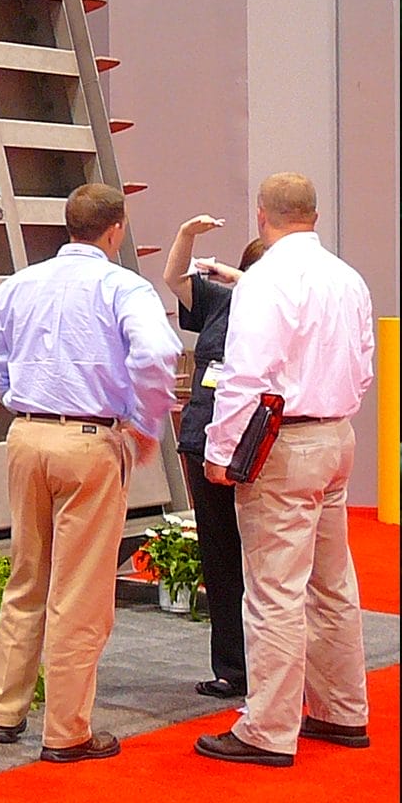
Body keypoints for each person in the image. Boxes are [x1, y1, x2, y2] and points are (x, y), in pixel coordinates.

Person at [0, 183, 182, 763]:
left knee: (26, 576)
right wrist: (143, 426)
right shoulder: (123, 285)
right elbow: (157, 355)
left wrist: (30, 406)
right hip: (91, 439)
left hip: (27, 433)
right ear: (116, 230)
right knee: (80, 592)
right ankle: (66, 731)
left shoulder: (20, 283)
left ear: (68, 226)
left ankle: (5, 711)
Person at [194, 173, 375, 767]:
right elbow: (364, 365)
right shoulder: (348, 278)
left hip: (281, 442)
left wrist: (221, 453)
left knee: (273, 590)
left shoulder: (267, 279)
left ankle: (267, 729)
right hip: (336, 435)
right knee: (333, 583)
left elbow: (244, 375)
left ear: (261, 214)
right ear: (315, 215)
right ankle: (341, 709)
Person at [163, 215, 267, 699]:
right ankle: (233, 667)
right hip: (205, 442)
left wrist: (248, 282)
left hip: (258, 448)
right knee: (221, 558)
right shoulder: (221, 302)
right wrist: (186, 235)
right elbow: (176, 279)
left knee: (265, 562)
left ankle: (275, 668)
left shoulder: (276, 306)